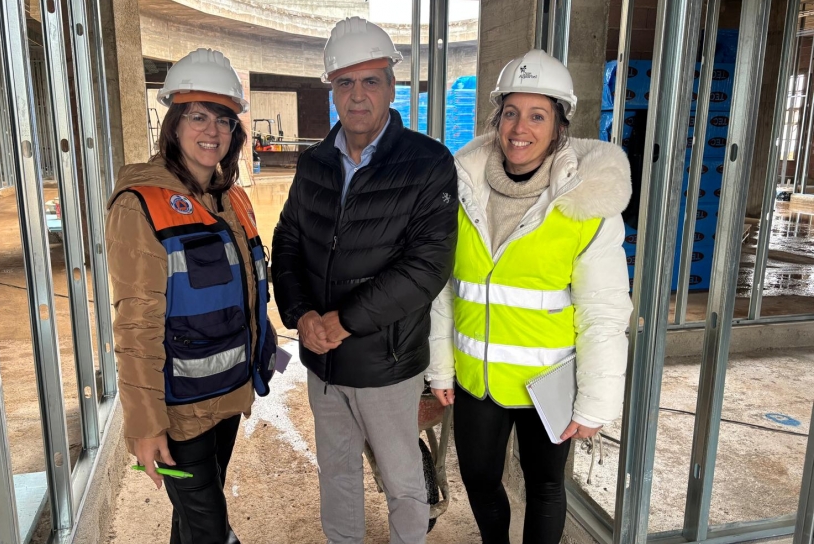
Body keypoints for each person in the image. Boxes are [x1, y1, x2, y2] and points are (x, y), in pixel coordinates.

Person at [427, 49, 634, 544]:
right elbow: (445, 290)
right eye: (511, 113)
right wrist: (440, 367)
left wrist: (597, 401)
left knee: (544, 487)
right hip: (478, 380)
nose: (520, 128)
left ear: (560, 125)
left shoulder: (586, 203)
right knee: (479, 480)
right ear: (497, 120)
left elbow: (604, 311)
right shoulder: (462, 190)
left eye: (538, 115)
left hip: (549, 382)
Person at [271, 16, 458, 544]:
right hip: (324, 362)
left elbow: (427, 266)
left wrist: (344, 321)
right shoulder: (314, 163)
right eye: (345, 82)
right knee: (337, 474)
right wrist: (302, 315)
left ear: (392, 87)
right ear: (331, 89)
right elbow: (287, 241)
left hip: (386, 364)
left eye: (371, 80)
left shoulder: (427, 163)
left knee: (402, 481)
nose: (357, 95)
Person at [106, 48, 276, 544]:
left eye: (223, 119)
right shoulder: (140, 205)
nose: (212, 131)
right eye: (198, 116)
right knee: (211, 531)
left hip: (227, 396)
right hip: (179, 412)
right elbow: (136, 325)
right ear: (174, 123)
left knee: (194, 524)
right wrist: (145, 425)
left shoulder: (233, 198)